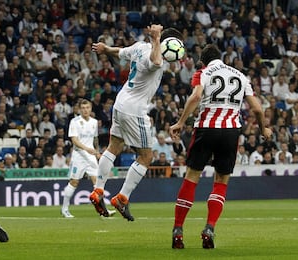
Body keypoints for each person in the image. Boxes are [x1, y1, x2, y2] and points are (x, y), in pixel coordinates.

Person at [169, 44, 272, 249]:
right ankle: (209, 228)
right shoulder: (241, 76)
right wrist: (263, 129)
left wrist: (181, 122)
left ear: (203, 60)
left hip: (207, 128)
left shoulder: (203, 72)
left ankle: (178, 230)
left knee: (192, 178)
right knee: (221, 181)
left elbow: (196, 96)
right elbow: (258, 109)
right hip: (231, 132)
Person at [89, 24, 183, 221]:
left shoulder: (140, 46)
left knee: (114, 146)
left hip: (121, 102)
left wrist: (106, 49)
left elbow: (120, 52)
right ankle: (122, 198)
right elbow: (156, 62)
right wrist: (157, 39)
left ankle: (98, 190)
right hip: (135, 109)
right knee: (146, 157)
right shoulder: (154, 56)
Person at [61, 99, 112, 218]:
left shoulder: (94, 122)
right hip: (79, 156)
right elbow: (74, 140)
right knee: (74, 182)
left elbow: (95, 139)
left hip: (91, 157)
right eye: (83, 108)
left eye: (87, 107)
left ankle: (103, 211)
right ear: (79, 109)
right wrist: (86, 149)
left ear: (91, 109)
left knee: (98, 183)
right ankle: (64, 209)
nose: (85, 110)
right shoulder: (75, 122)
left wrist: (97, 151)